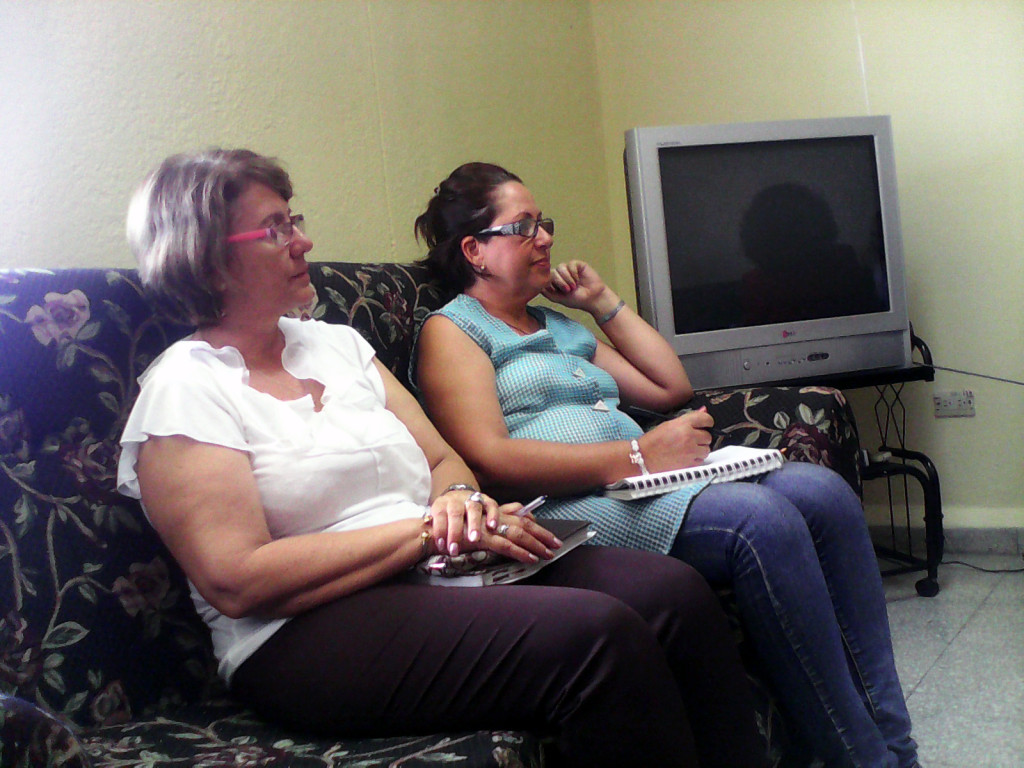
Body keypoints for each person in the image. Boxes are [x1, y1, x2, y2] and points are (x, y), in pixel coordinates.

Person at [115, 149, 770, 768]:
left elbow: (443, 460)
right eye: (272, 230)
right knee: (597, 636)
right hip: (298, 634)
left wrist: (459, 501)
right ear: (205, 261)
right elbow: (237, 579)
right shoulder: (186, 390)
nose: (302, 241)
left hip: (433, 566)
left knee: (672, 593)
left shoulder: (336, 345)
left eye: (295, 220)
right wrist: (426, 529)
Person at [413, 162, 921, 768]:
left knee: (825, 493)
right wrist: (633, 455)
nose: (545, 237)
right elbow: (487, 456)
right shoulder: (453, 332)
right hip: (568, 505)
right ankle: (863, 760)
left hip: (640, 484)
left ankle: (896, 743)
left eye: (543, 223)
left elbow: (669, 387)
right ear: (475, 250)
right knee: (760, 522)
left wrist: (602, 303)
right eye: (523, 227)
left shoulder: (556, 323)